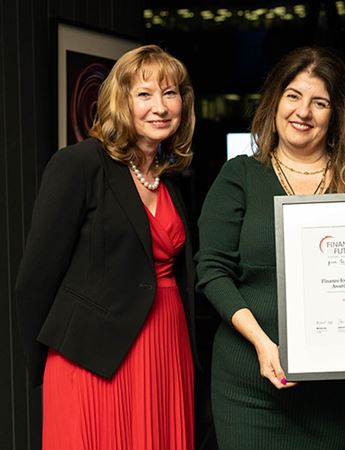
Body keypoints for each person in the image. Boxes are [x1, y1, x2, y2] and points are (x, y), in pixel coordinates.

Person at [195, 46, 345, 450]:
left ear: (336, 115)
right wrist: (264, 344)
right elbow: (212, 270)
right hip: (249, 384)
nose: (304, 112)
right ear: (275, 102)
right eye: (294, 96)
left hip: (333, 394)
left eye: (320, 102)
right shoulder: (240, 176)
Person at [15, 45, 197, 450]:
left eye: (170, 94)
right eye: (144, 94)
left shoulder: (171, 180)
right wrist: (52, 364)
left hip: (166, 348)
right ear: (121, 101)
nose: (160, 107)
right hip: (92, 361)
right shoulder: (79, 164)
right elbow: (34, 281)